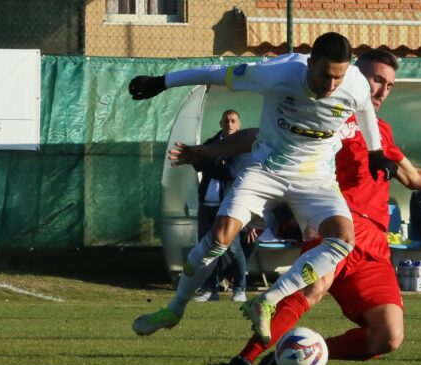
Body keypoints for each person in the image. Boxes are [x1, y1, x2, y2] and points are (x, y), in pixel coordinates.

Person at [184, 49, 421, 365]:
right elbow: (256, 137)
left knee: (388, 336)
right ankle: (243, 360)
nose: (382, 90)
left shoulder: (380, 132)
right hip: (338, 228)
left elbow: (415, 178)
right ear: (355, 76)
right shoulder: (325, 113)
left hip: (374, 246)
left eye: (389, 85)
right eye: (376, 80)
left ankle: (301, 353)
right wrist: (208, 151)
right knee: (315, 286)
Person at [129, 32, 400, 343]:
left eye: (337, 78)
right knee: (219, 237)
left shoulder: (354, 83)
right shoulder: (279, 73)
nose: (330, 86)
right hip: (267, 170)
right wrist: (162, 82)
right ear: (309, 64)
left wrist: (376, 153)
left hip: (315, 178)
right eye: (325, 75)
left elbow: (364, 108)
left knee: (342, 240)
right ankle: (174, 310)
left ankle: (267, 301)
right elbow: (215, 74)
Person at [193, 109, 247, 302]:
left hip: (228, 206)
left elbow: (230, 172)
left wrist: (210, 158)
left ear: (238, 125)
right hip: (206, 204)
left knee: (233, 249)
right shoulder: (212, 142)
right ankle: (210, 289)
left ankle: (239, 288)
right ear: (220, 123)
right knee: (206, 249)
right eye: (226, 120)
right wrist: (214, 159)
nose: (229, 124)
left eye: (233, 121)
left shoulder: (242, 146)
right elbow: (196, 163)